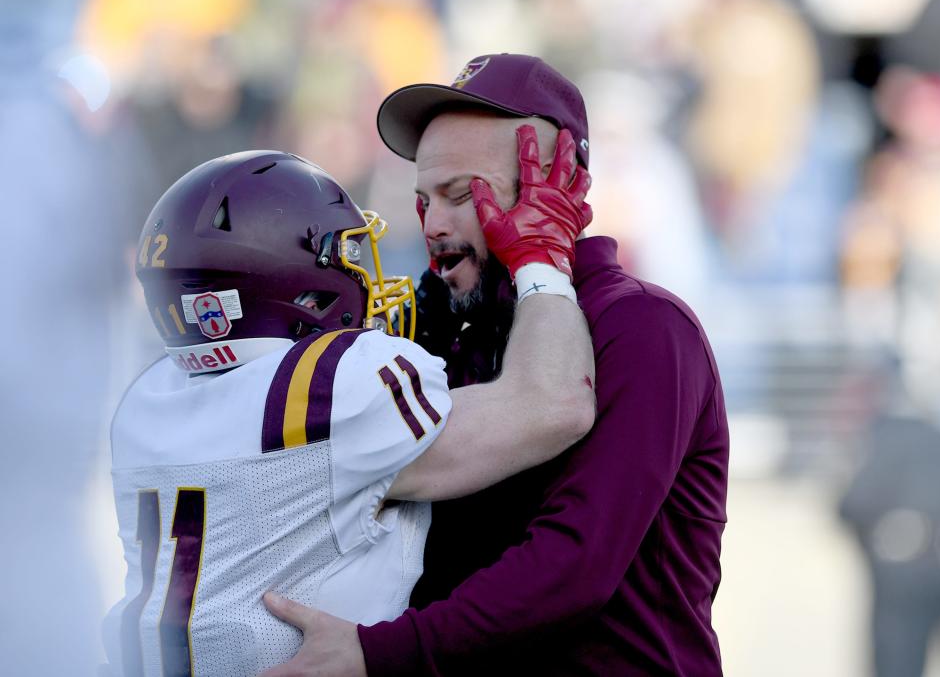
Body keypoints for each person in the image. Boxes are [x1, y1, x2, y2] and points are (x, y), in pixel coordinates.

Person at [264, 54, 730, 676]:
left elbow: (575, 564)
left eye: (461, 194)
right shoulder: (448, 332)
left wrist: (380, 653)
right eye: (424, 200)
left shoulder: (645, 328)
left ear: (559, 187)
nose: (433, 224)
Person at [103, 148, 594, 676]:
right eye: (347, 257)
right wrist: (540, 262)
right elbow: (553, 403)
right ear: (297, 285)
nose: (361, 274)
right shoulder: (330, 388)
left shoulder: (144, 401)